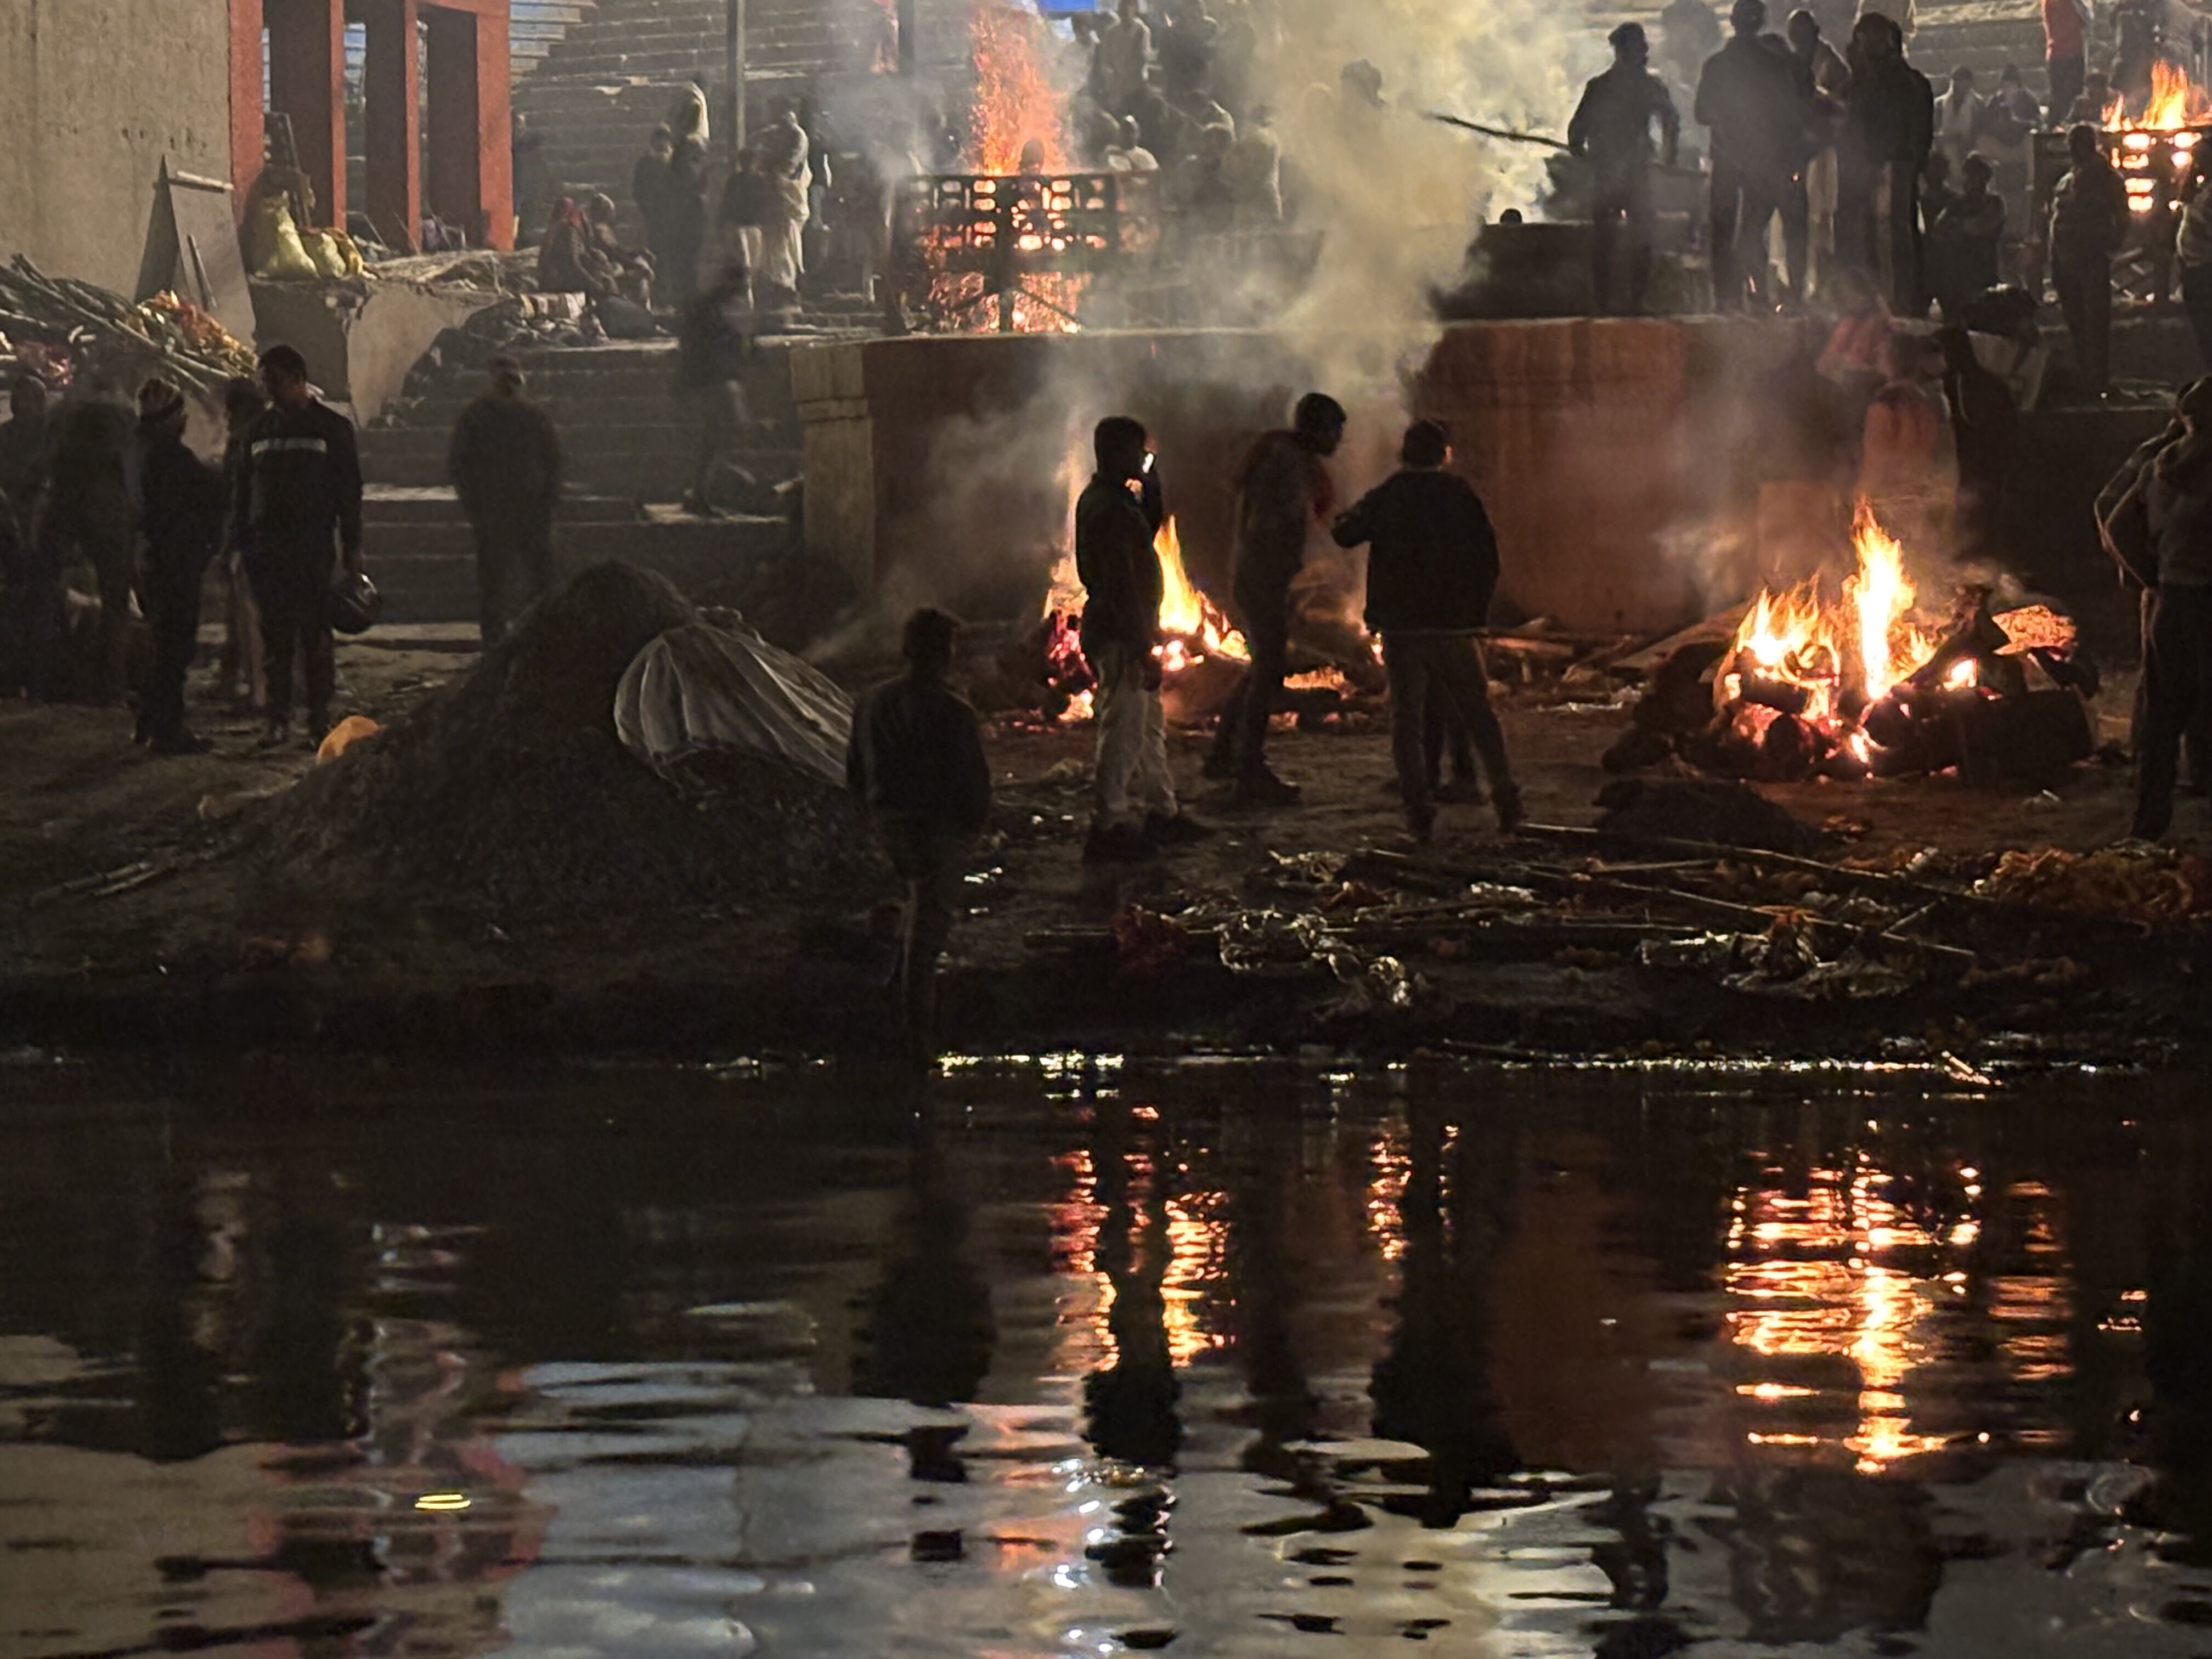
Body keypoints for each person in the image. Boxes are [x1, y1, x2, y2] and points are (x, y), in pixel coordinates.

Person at [1330, 420, 1523, 842]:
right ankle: (1507, 801)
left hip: (1404, 629)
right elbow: (1488, 559)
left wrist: (1345, 514)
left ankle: (1419, 811)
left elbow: (1345, 533)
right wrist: (1475, 612)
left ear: (1405, 454)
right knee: (1479, 714)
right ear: (1445, 454)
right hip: (1455, 628)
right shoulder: (1460, 495)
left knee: (1407, 721)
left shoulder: (1390, 495)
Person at [846, 606, 994, 1056]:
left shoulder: (870, 702)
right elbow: (975, 785)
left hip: (887, 825)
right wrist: (969, 833)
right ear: (946, 655)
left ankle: (877, 1028)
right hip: (938, 834)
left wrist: (871, 817)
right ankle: (915, 1047)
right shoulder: (955, 713)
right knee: (925, 941)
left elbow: (854, 770)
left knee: (904, 923)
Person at [1204, 392, 1346, 804]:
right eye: (1334, 430)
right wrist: (1282, 584)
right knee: (1269, 670)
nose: (1338, 440)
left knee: (1262, 668)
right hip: (1263, 577)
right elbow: (1273, 529)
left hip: (1257, 575)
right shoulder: (1287, 465)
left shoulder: (1281, 456)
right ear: (1316, 429)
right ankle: (1250, 768)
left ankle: (1222, 754)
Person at [1076, 416, 1206, 862]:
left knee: (1148, 728)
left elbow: (1147, 528)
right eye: (1137, 453)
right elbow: (1121, 586)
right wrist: (1138, 647)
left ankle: (1162, 810)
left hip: (1126, 629)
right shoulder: (1108, 510)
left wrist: (1151, 485)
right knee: (1123, 730)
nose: (1143, 459)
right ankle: (1108, 824)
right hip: (1118, 633)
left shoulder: (1113, 500)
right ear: (1114, 454)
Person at [230, 345, 363, 747]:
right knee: (276, 640)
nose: (268, 389)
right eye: (265, 381)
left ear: (298, 380)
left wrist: (352, 545)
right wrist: (238, 544)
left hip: (312, 548)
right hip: (268, 550)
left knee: (315, 637)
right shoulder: (256, 432)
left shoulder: (332, 429)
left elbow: (348, 492)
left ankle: (319, 719)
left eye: (274, 381)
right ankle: (278, 718)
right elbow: (242, 492)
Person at [2117, 377, 2212, 840]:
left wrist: (2151, 576)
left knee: (2162, 716)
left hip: (2171, 602)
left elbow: (2118, 521)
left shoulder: (2161, 466)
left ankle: (2148, 824)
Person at [1696, 0, 1812, 312]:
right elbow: (1789, 116)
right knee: (1747, 231)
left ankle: (1734, 297)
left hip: (1738, 157)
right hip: (1756, 158)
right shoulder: (1772, 65)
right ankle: (1751, 295)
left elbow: (1702, 113)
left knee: (1739, 231)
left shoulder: (1719, 64)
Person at [133, 379, 227, 754]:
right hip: (176, 565)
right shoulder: (173, 461)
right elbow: (205, 499)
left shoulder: (142, 456)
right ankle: (168, 729)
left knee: (160, 644)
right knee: (174, 648)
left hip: (155, 563)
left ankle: (148, 721)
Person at [1568, 22, 1683, 316]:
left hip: (1619, 174)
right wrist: (1669, 154)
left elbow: (1576, 133)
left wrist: (1581, 149)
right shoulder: (1643, 86)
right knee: (1626, 240)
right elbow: (1671, 121)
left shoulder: (1604, 86)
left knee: (1615, 241)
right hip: (1627, 175)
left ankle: (1611, 304)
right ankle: (1627, 303)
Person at [448, 357, 562, 648]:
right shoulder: (477, 418)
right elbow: (460, 465)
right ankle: (495, 644)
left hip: (530, 511)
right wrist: (474, 506)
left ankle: (544, 639)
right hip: (493, 512)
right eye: (503, 380)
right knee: (494, 584)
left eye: (513, 380)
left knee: (540, 580)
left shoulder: (533, 418)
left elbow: (553, 463)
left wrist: (548, 502)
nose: (508, 387)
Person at [35, 384, 139, 702]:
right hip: (106, 512)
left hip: (65, 507)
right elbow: (131, 476)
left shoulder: (66, 432)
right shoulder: (117, 430)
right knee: (115, 601)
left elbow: (42, 468)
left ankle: (45, 679)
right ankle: (111, 685)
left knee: (44, 594)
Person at [1838, 12, 1934, 315]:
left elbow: (1913, 129)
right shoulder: (1860, 83)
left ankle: (1899, 302)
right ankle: (1877, 300)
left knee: (1893, 236)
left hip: (1893, 165)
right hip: (1865, 169)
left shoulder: (1903, 82)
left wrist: (1905, 161)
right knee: (1868, 236)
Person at [2050, 122, 2130, 399]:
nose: (2073, 150)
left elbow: (2121, 217)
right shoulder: (2068, 179)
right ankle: (2086, 377)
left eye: (2079, 143)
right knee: (2076, 320)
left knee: (2095, 322)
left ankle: (2098, 379)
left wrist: (2108, 247)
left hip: (2090, 257)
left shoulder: (2107, 179)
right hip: (2065, 257)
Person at [676, 262, 755, 519]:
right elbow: (698, 347)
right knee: (713, 437)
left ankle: (702, 491)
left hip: (713, 380)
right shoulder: (709, 309)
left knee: (716, 438)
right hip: (707, 381)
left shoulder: (720, 307)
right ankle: (700, 493)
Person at [1858, 329, 1944, 556]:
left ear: (1888, 362)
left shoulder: (1884, 406)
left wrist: (1861, 502)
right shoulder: (1928, 404)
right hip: (1922, 501)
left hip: (1891, 504)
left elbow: (1875, 462)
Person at [1937, 324, 2018, 558]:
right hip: (1989, 467)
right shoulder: (1987, 382)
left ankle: (1980, 574)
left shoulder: (1967, 385)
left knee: (1976, 526)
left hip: (1980, 467)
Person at [1789, 9, 1853, 294]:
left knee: (1823, 219)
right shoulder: (1790, 63)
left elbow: (1844, 108)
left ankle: (1823, 286)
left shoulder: (1832, 65)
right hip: (1795, 151)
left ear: (1814, 32)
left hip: (1824, 153)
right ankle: (1797, 284)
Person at [217, 375, 268, 713]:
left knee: (251, 620)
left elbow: (238, 496)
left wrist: (230, 543)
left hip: (252, 538)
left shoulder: (244, 442)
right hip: (269, 535)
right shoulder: (266, 435)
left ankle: (259, 693)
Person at [1929, 151, 2006, 320]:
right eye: (1969, 176)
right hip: (1960, 274)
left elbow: (1984, 226)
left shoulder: (1994, 203)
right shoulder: (1958, 204)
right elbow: (1940, 229)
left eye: (1975, 176)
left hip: (1985, 270)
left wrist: (1961, 226)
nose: (1970, 181)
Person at [755, 101, 813, 312]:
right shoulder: (773, 134)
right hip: (773, 197)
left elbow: (789, 165)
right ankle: (776, 287)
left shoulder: (798, 136)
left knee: (788, 241)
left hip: (790, 195)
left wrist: (774, 173)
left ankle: (788, 288)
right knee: (773, 245)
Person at [0, 374, 49, 547]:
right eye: (22, 399)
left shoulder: (52, 433)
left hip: (43, 498)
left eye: (32, 399)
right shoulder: (5, 433)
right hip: (10, 497)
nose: (26, 405)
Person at [662, 137, 710, 311]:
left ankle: (687, 298)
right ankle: (685, 299)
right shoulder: (687, 169)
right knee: (685, 263)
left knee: (688, 263)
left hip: (689, 219)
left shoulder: (691, 168)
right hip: (684, 219)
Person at [2180, 157, 2212, 370]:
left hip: (2206, 268)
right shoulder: (2203, 190)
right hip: (2194, 268)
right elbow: (2185, 197)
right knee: (2203, 329)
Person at [1097, 0, 1154, 115]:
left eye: (1130, 6)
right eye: (1122, 8)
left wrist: (1127, 78)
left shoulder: (1142, 31)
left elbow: (1142, 59)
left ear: (1135, 9)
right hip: (1116, 87)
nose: (1125, 11)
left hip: (1137, 87)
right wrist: (1111, 78)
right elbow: (1105, 60)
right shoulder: (1112, 32)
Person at [632, 126, 676, 269]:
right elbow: (637, 189)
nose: (662, 144)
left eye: (665, 140)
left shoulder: (676, 163)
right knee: (656, 252)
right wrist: (647, 206)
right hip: (653, 215)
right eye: (659, 140)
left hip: (675, 214)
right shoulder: (645, 164)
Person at [1932, 66, 1989, 173]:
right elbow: (1935, 127)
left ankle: (1959, 181)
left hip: (1968, 143)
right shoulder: (1940, 104)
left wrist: (1958, 137)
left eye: (1962, 83)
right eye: (1956, 82)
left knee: (1951, 150)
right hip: (1944, 142)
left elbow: (1979, 131)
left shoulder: (1977, 105)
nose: (1958, 87)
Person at [2044, 0, 2089, 128]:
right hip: (2071, 52)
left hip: (2057, 53)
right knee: (2070, 97)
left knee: (2060, 97)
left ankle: (2056, 126)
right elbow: (2085, 19)